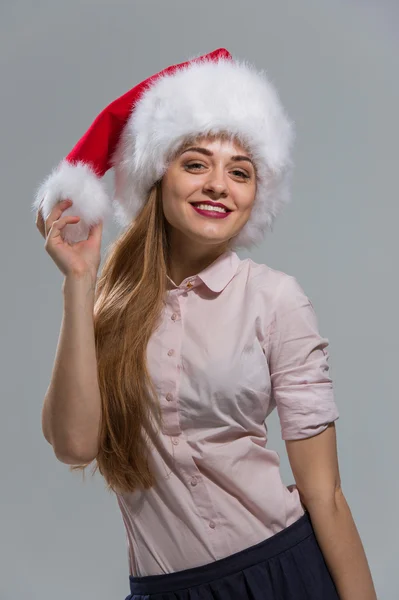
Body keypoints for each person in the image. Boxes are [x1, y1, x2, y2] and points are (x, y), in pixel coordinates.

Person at [33, 49, 377, 600]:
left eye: (240, 172)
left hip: (281, 573)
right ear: (156, 177)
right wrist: (79, 282)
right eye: (196, 163)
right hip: (163, 589)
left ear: (254, 195)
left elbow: (326, 494)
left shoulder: (276, 300)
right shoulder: (108, 307)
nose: (219, 185)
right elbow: (74, 444)